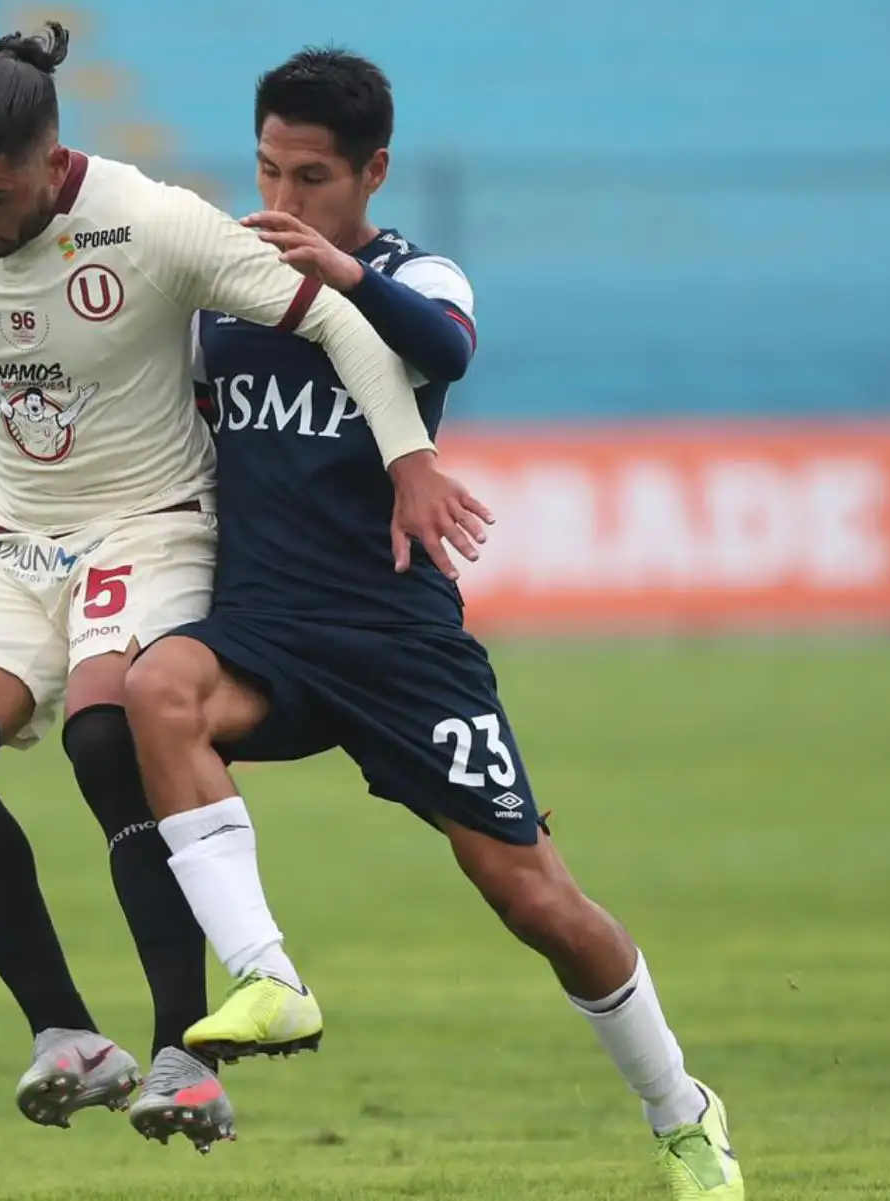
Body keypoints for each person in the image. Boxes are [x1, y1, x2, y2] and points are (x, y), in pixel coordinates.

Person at [123, 48, 746, 1197]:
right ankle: (267, 976)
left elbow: (447, 346)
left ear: (374, 172)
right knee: (155, 692)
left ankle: (681, 1110)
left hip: (399, 646)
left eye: (312, 177)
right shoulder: (224, 286)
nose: (282, 199)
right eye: (267, 170)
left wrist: (344, 277)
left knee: (536, 900)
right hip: (263, 630)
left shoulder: (418, 274)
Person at [0, 24, 490, 1154]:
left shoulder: (154, 222)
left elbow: (341, 320)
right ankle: (66, 1032)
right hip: (17, 538)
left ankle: (183, 1053)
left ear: (51, 163)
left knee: (106, 737)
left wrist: (411, 459)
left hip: (151, 520)